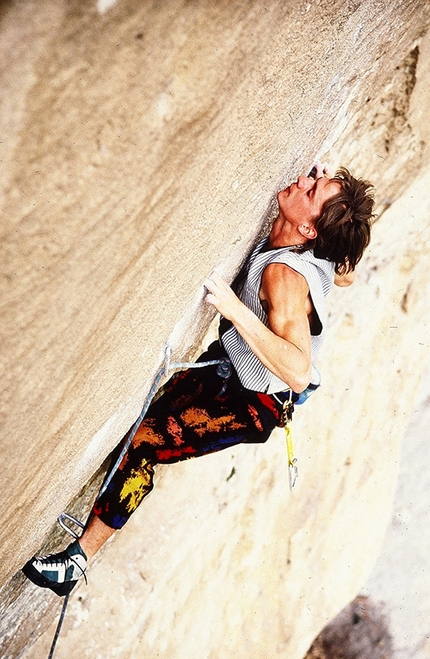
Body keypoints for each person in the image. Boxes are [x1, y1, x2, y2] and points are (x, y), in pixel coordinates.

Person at [22, 161, 374, 596]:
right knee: (139, 429)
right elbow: (345, 271)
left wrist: (235, 309)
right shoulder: (317, 248)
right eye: (314, 178)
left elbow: (300, 371)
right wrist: (330, 215)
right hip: (228, 367)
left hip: (251, 404)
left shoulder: (284, 276)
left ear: (307, 230)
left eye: (312, 190)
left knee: (145, 442)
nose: (304, 180)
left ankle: (77, 563)